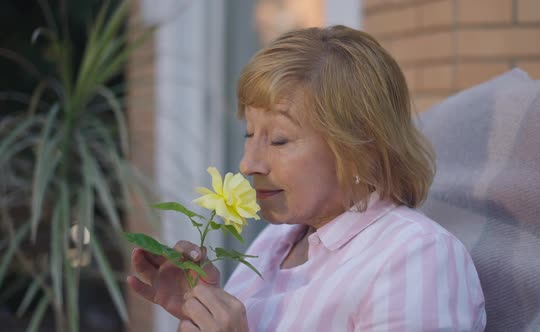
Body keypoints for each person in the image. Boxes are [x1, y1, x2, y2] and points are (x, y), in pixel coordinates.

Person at [127, 25, 486, 331]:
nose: (247, 163)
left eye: (279, 139)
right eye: (249, 134)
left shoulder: (415, 257)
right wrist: (201, 306)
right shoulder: (275, 242)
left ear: (361, 145)